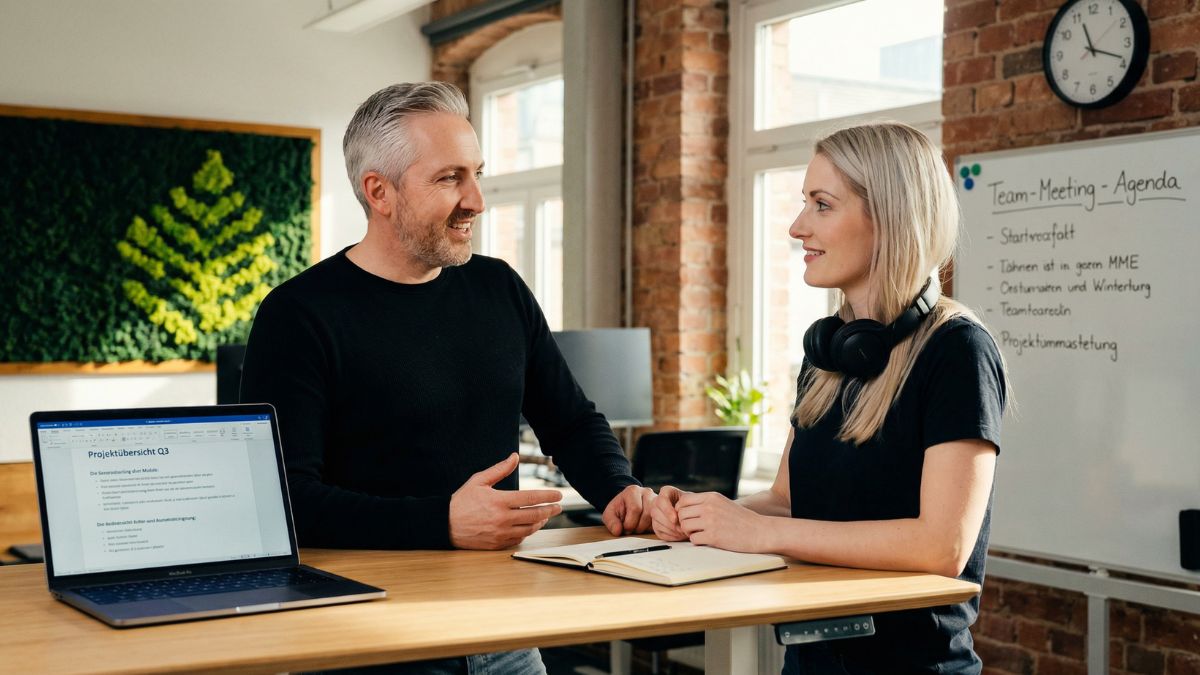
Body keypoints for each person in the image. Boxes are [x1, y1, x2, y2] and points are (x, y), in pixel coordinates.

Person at [240, 81, 656, 674]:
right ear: (379, 192)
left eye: (477, 173)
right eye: (449, 178)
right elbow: (283, 501)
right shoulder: (298, 316)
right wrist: (441, 521)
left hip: (503, 630)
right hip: (369, 637)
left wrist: (619, 488)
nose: (477, 200)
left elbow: (570, 421)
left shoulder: (499, 288)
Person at [650, 122, 1008, 674]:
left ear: (888, 216)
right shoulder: (831, 350)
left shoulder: (957, 350)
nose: (797, 227)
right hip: (813, 657)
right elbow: (789, 499)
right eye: (803, 204)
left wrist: (763, 532)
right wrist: (705, 517)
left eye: (821, 205)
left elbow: (942, 547)